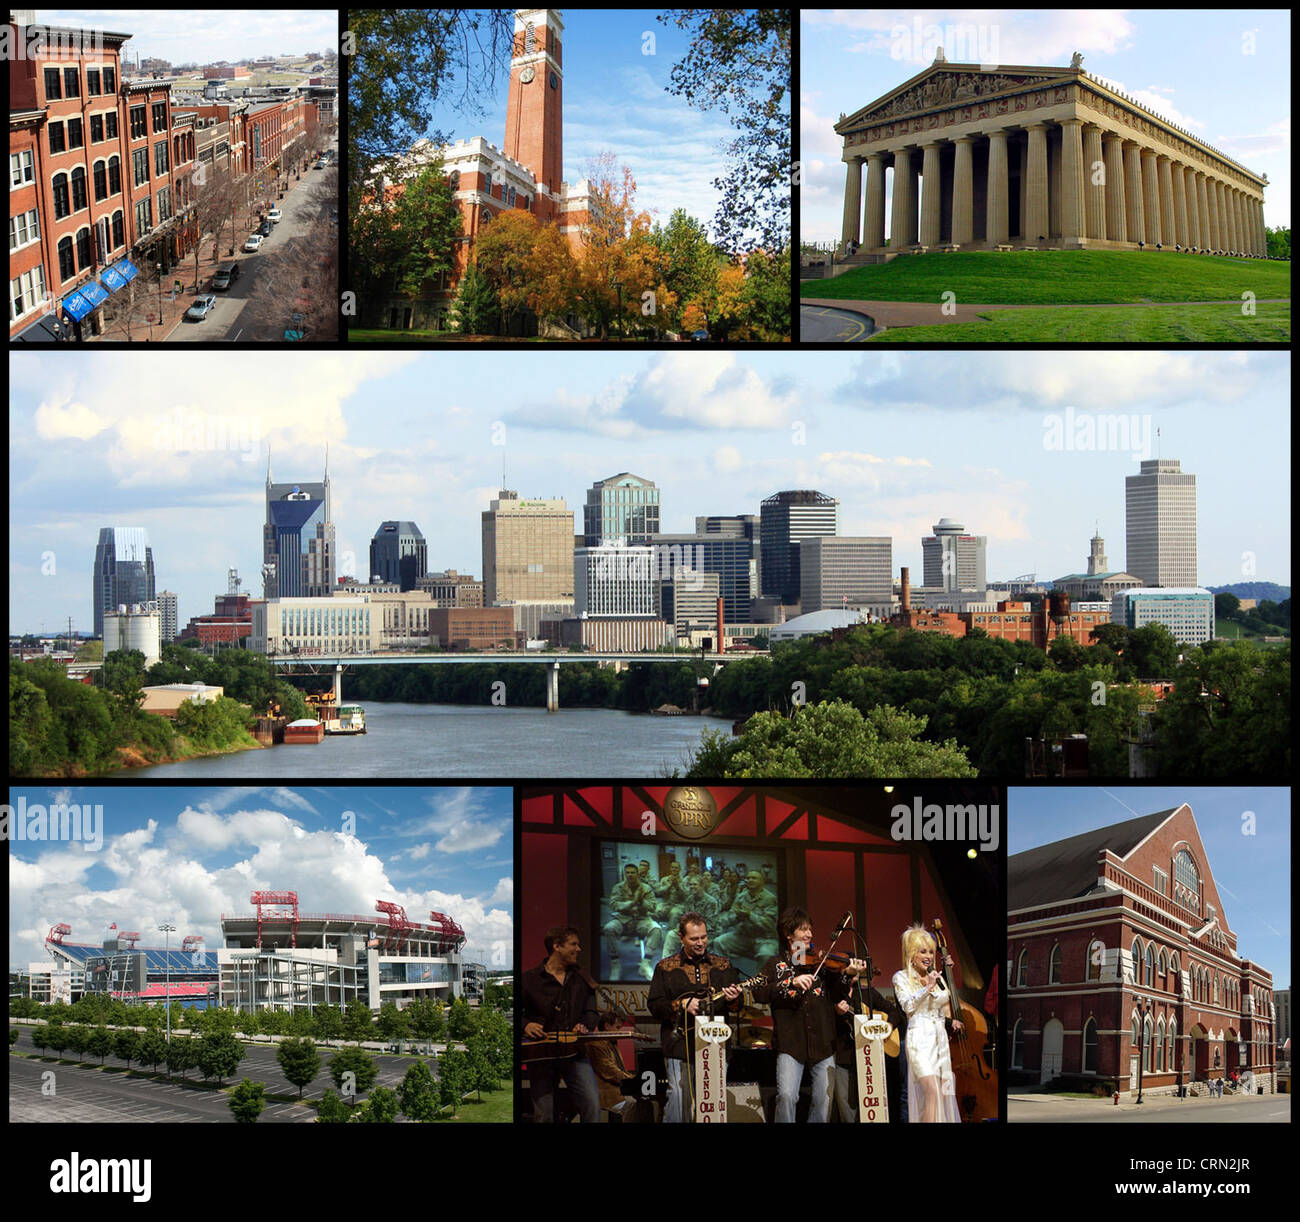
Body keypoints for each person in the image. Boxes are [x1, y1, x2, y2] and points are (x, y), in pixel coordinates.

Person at [752, 907, 857, 1122]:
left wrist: (848, 975)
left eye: (810, 929)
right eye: (803, 930)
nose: (809, 934)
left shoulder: (823, 965)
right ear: (788, 934)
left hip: (823, 1042)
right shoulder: (775, 965)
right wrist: (791, 981)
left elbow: (838, 994)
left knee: (823, 1100)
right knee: (787, 1096)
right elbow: (759, 992)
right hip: (791, 1043)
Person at [646, 912, 743, 1122]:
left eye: (704, 937)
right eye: (694, 939)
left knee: (712, 1101)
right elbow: (654, 1006)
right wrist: (680, 1004)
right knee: (679, 1097)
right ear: (681, 937)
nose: (700, 943)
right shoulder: (665, 967)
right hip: (680, 1044)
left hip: (715, 1043)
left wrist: (735, 998)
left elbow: (737, 1007)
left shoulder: (724, 965)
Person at [521, 925, 600, 1122]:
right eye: (574, 944)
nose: (578, 949)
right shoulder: (529, 980)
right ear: (557, 946)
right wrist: (525, 1025)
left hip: (575, 1052)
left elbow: (591, 1012)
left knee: (592, 1106)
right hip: (540, 1055)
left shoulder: (582, 979)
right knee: (544, 1115)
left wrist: (585, 1025)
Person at [893, 924, 963, 1123]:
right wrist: (928, 987)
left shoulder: (937, 978)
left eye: (931, 951)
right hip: (919, 1039)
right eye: (923, 951)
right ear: (912, 954)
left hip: (939, 1040)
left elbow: (942, 1009)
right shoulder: (901, 977)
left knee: (941, 1095)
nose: (929, 956)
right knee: (931, 1091)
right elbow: (908, 1006)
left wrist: (944, 977)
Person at [603, 862, 664, 981]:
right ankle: (615, 965)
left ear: (637, 874)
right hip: (623, 919)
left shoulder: (646, 888)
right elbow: (613, 904)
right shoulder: (618, 887)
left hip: (642, 920)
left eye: (633, 872)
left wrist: (641, 902)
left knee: (656, 929)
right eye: (628, 872)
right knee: (609, 928)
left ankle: (645, 964)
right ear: (625, 874)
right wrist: (630, 903)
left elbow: (652, 906)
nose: (630, 875)